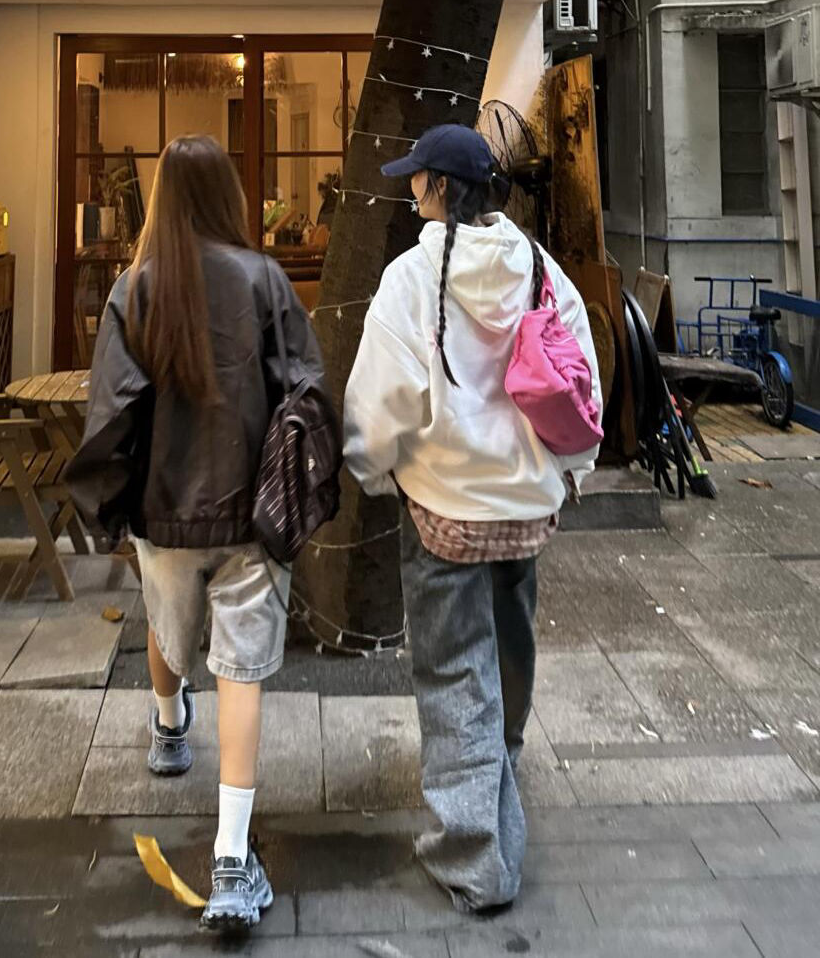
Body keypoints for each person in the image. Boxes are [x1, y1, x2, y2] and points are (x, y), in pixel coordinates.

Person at [66, 135, 326, 934]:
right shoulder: (265, 279)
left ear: (163, 200)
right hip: (252, 510)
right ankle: (231, 858)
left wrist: (110, 505)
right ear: (227, 196)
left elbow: (112, 410)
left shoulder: (135, 288)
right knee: (242, 672)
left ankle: (169, 725)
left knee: (166, 625)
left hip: (164, 508)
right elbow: (307, 387)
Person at [343, 123, 601, 914]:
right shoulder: (542, 268)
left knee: (456, 672)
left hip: (444, 510)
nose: (410, 188)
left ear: (439, 189)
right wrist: (573, 471)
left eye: (417, 178)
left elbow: (380, 401)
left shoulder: (412, 278)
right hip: (526, 507)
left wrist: (371, 469)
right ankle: (500, 768)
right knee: (510, 648)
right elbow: (581, 374)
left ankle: (475, 858)